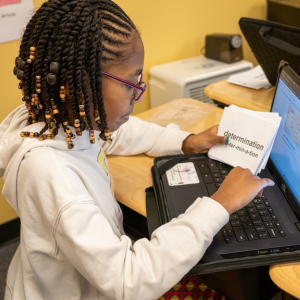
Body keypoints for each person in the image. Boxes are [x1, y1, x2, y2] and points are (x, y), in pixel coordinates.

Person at [0, 1, 275, 299]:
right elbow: (128, 281)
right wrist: (219, 204)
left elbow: (115, 133)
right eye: (131, 83)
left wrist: (185, 141)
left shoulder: (56, 120)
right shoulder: (53, 176)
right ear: (80, 84)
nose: (137, 94)